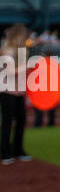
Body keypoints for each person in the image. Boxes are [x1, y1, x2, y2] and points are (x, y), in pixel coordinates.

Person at [1, 25, 31, 164]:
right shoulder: (6, 50)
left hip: (19, 92)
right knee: (8, 122)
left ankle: (18, 149)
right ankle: (5, 152)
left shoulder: (22, 51)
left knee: (21, 121)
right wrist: (29, 64)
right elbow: (11, 72)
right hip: (7, 91)